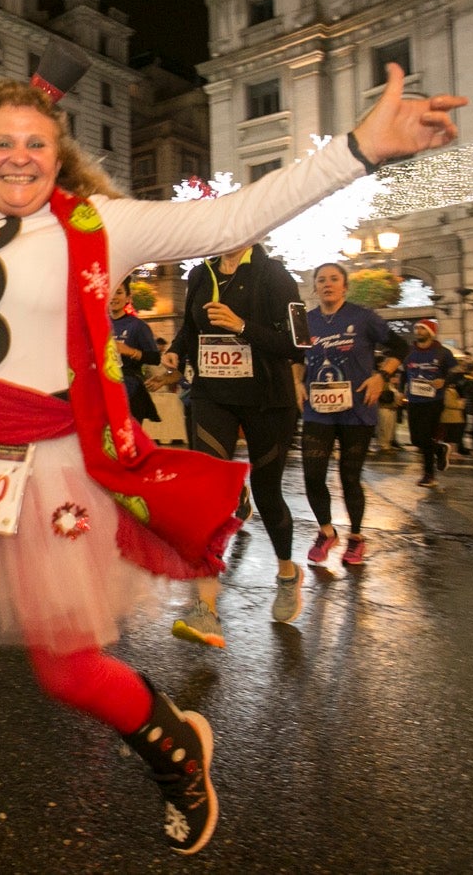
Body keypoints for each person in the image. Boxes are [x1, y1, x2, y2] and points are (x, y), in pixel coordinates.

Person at [0, 61, 463, 869]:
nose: (18, 157)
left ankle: (179, 756)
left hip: (51, 466)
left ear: (59, 154)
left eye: (35, 144)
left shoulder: (105, 225)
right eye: (1, 144)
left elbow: (232, 218)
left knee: (68, 669)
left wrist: (362, 147)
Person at [170, 241, 306, 648]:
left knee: (267, 494)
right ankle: (206, 609)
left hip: (267, 400)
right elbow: (189, 330)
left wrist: (240, 325)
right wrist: (177, 353)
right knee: (209, 494)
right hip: (213, 395)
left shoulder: (274, 275)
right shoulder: (201, 274)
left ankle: (286, 573)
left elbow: (297, 343)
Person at [299, 263, 408, 568]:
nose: (327, 284)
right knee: (312, 474)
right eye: (321, 280)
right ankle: (326, 531)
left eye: (334, 279)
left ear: (345, 286)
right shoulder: (307, 321)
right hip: (317, 410)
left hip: (357, 409)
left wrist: (381, 377)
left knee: (350, 478)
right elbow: (296, 357)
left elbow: (400, 346)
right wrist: (297, 381)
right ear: (316, 288)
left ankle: (357, 538)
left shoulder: (363, 317)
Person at [403, 317, 457, 489]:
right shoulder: (409, 351)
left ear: (431, 332)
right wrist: (399, 391)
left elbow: (456, 372)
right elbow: (404, 373)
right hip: (413, 399)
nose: (418, 331)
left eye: (422, 328)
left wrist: (444, 380)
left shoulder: (443, 352)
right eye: (417, 328)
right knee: (416, 439)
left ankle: (429, 475)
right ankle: (439, 449)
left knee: (425, 436)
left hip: (434, 400)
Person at [109, 276, 160, 424]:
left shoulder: (137, 326)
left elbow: (155, 358)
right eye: (110, 293)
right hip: (103, 390)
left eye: (118, 292)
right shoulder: (99, 325)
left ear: (128, 298)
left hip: (130, 389)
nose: (113, 297)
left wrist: (129, 351)